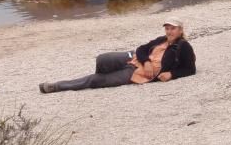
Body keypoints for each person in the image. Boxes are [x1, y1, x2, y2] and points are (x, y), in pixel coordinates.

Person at [38, 17, 196, 93]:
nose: (169, 31)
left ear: (180, 30)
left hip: (138, 73)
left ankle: (56, 86)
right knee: (102, 59)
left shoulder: (184, 46)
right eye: (167, 28)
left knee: (95, 80)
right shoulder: (161, 39)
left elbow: (190, 69)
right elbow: (142, 48)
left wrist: (172, 74)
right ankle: (100, 78)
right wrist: (146, 61)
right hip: (134, 58)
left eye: (173, 29)